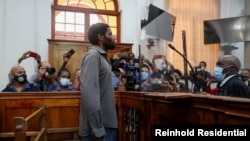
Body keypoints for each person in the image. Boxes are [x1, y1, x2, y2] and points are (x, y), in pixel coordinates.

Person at [79, 23, 118, 141]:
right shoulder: (93, 56)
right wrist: (97, 128)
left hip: (106, 123)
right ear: (101, 37)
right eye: (110, 34)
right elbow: (89, 94)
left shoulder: (102, 57)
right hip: (101, 127)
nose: (113, 37)